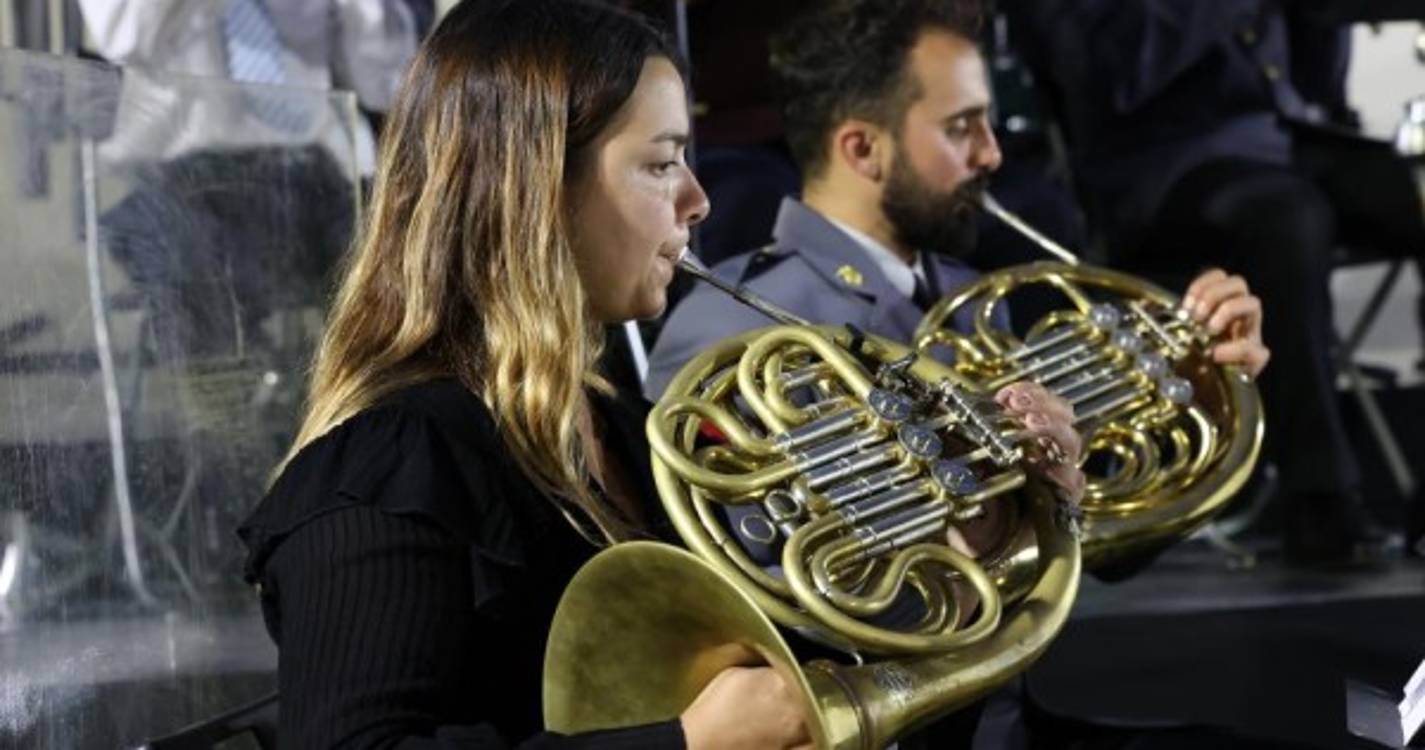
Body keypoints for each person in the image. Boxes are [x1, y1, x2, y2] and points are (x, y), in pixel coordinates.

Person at [236, 2, 815, 747]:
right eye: (661, 163)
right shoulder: (390, 464)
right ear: (538, 188)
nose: (696, 201)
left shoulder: (627, 432)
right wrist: (683, 745)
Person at [645, 0, 1269, 398]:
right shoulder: (729, 329)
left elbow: (1099, 542)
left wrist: (1197, 391)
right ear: (863, 150)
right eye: (961, 127)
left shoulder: (974, 309)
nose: (992, 154)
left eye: (989, 125)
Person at [999, 0, 1425, 564]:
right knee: (1287, 219)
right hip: (1161, 169)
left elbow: (1314, 76)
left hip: (1286, 140)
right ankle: (1319, 499)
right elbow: (1110, 74)